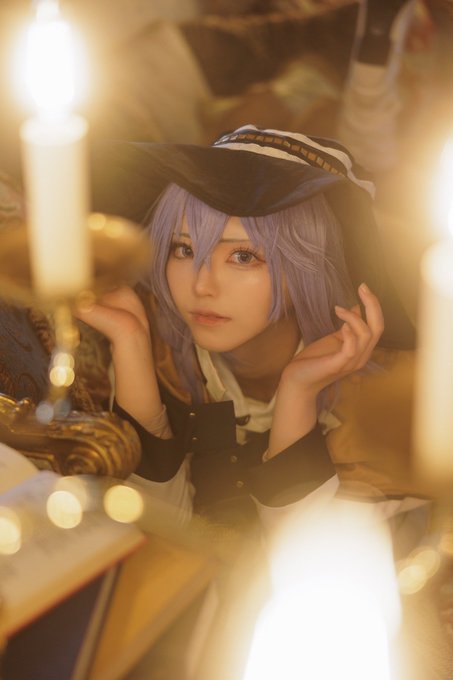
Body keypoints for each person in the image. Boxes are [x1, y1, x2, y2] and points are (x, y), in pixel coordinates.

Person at [83, 123, 418, 532]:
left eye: (243, 257)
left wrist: (298, 394)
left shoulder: (387, 405)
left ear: (310, 267)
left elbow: (305, 558)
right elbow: (151, 536)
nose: (201, 286)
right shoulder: (156, 346)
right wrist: (131, 344)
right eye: (183, 249)